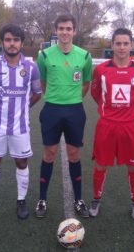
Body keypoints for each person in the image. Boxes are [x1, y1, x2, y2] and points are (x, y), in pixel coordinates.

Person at [0, 24, 41, 220]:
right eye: (8, 40)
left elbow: (37, 93)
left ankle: (21, 201)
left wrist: (22, 108)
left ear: (21, 42)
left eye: (15, 40)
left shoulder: (31, 67)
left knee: (21, 162)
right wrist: (0, 104)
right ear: (2, 42)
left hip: (20, 127)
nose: (12, 44)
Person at [88, 28, 134, 220]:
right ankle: (96, 199)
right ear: (112, 45)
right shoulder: (100, 70)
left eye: (125, 43)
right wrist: (110, 110)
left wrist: (129, 109)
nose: (122, 47)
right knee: (101, 164)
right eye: (118, 43)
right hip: (106, 126)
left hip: (129, 127)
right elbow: (96, 94)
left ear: (131, 45)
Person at [35, 14, 93, 218]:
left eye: (68, 28)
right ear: (56, 30)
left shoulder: (85, 56)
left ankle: (78, 199)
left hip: (75, 111)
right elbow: (42, 82)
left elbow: (86, 83)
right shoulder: (44, 55)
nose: (65, 32)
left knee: (74, 154)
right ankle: (42, 199)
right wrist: (54, 97)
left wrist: (72, 98)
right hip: (51, 110)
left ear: (74, 31)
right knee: (49, 153)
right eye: (61, 28)